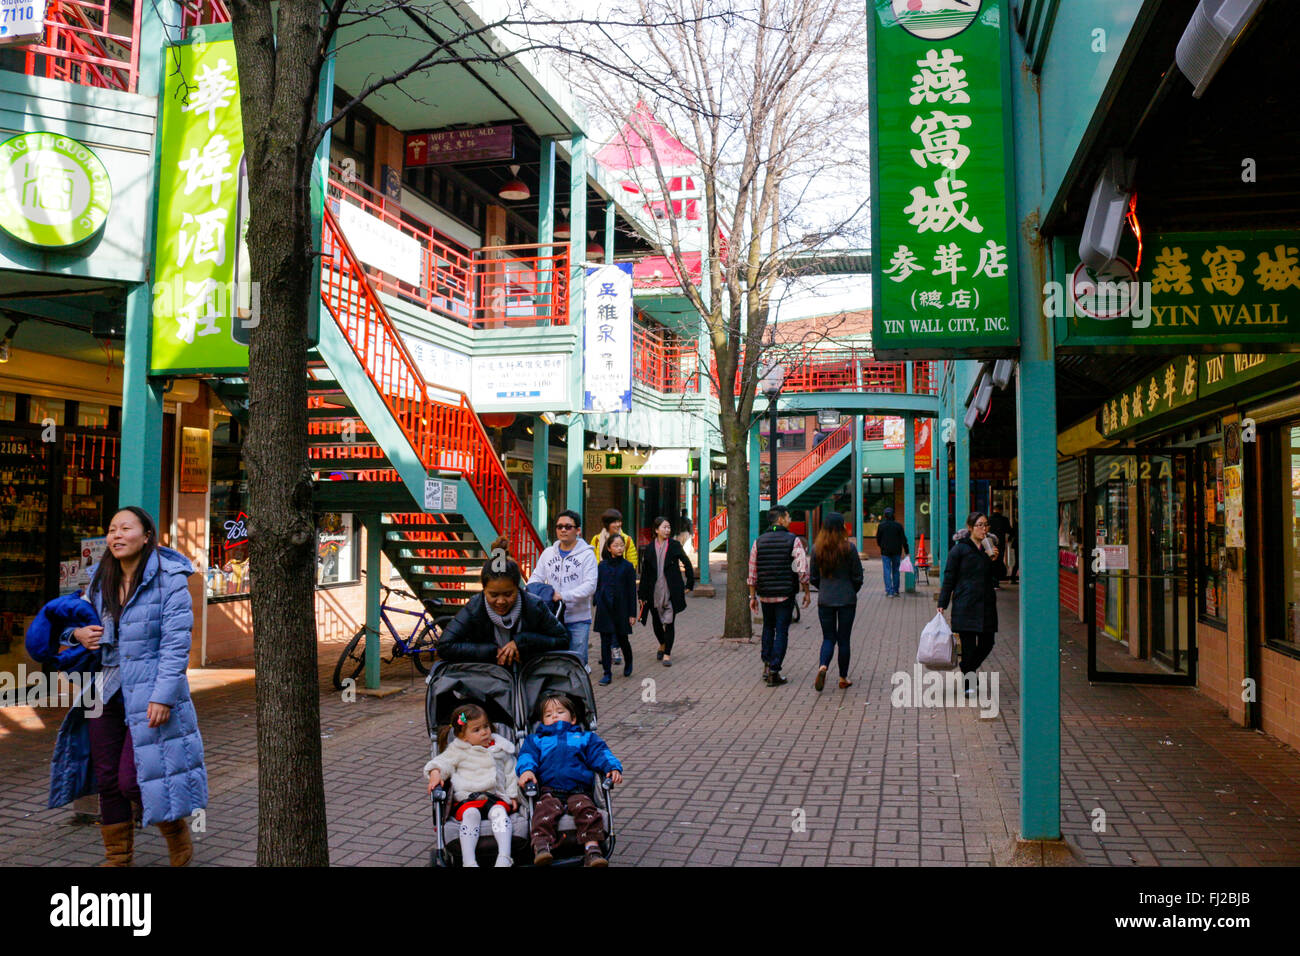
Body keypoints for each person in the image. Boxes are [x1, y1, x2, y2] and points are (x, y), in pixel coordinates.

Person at [61, 506, 207, 866]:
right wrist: (77, 634)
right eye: (112, 529)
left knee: (133, 780)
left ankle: (174, 829)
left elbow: (176, 644)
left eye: (126, 528)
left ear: (146, 536)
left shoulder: (170, 578)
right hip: (104, 690)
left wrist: (163, 696)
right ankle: (117, 857)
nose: (116, 535)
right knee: (107, 778)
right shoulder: (97, 580)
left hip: (151, 691)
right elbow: (64, 626)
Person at [517, 693, 624, 867]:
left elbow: (601, 753)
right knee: (543, 812)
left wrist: (612, 767)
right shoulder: (536, 740)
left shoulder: (585, 738)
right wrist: (527, 770)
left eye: (559, 712)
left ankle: (593, 850)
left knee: (588, 812)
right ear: (543, 722)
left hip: (579, 790)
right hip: (549, 790)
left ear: (573, 719)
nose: (554, 716)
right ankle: (542, 848)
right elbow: (526, 756)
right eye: (548, 715)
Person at [437, 540, 571, 666]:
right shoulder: (474, 607)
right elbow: (444, 646)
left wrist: (522, 642)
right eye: (493, 595)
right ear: (484, 590)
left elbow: (562, 639)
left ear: (518, 588)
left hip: (528, 675)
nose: (501, 601)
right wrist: (492, 652)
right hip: (487, 678)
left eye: (508, 594)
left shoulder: (534, 606)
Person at [424, 703, 519, 867]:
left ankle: (504, 857)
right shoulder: (458, 749)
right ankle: (469, 861)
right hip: (468, 799)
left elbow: (511, 772)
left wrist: (513, 795)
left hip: (495, 797)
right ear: (463, 736)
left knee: (500, 813)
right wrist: (435, 773)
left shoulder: (500, 748)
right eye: (477, 730)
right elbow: (442, 762)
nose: (484, 732)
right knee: (471, 815)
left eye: (486, 727)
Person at [936, 512, 1000, 696]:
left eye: (986, 525)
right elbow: (949, 577)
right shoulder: (959, 550)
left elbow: (998, 575)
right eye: (979, 525)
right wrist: (943, 602)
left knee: (988, 642)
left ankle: (966, 668)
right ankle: (968, 684)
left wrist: (994, 560)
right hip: (966, 603)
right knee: (969, 646)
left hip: (987, 603)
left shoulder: (990, 547)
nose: (984, 529)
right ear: (970, 527)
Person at [748, 506, 810, 687]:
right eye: (788, 516)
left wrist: (752, 596)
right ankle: (775, 670)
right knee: (781, 630)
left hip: (765, 593)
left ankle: (767, 665)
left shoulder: (758, 541)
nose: (790, 520)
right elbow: (801, 569)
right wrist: (806, 591)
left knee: (768, 628)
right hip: (785, 594)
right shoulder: (793, 541)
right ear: (781, 519)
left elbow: (752, 572)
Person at [528, 510, 598, 670]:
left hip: (577, 619)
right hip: (551, 618)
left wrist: (563, 596)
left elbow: (590, 586)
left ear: (578, 530)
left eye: (568, 526)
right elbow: (536, 578)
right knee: (553, 662)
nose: (563, 530)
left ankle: (578, 694)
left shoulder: (587, 555)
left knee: (576, 664)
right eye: (559, 527)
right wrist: (535, 593)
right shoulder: (548, 553)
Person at [809, 512, 863, 692]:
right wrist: (851, 590)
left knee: (828, 638)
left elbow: (814, 577)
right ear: (842, 528)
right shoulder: (850, 548)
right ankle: (843, 677)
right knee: (844, 639)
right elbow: (858, 576)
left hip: (825, 599)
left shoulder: (817, 549)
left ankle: (823, 666)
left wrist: (823, 588)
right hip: (846, 599)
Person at [637, 516, 695, 667]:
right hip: (653, 591)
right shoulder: (650, 548)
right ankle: (662, 643)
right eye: (664, 527)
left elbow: (687, 563)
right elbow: (645, 573)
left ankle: (667, 653)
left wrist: (689, 583)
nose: (667, 530)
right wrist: (641, 595)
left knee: (669, 622)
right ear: (656, 530)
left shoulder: (674, 545)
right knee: (656, 622)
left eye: (668, 527)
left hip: (671, 590)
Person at [590, 508, 637, 667]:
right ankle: (608, 659)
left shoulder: (627, 540)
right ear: (607, 524)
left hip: (620, 590)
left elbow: (633, 562)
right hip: (603, 589)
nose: (618, 524)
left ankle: (616, 650)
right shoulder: (596, 540)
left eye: (619, 521)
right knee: (606, 628)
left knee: (620, 631)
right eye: (614, 522)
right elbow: (591, 562)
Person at [875, 506, 909, 598]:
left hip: (885, 552)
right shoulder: (898, 526)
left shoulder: (881, 526)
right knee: (896, 571)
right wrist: (907, 551)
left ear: (885, 516)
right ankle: (896, 590)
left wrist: (881, 547)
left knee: (886, 571)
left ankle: (889, 591)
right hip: (896, 552)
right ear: (893, 515)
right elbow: (903, 539)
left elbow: (878, 539)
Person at [988, 509, 1013, 587]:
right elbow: (1009, 531)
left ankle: (992, 580)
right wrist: (1010, 538)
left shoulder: (989, 519)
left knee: (990, 561)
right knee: (999, 560)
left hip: (989, 543)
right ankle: (996, 580)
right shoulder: (1004, 520)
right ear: (1001, 511)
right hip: (1000, 543)